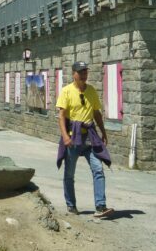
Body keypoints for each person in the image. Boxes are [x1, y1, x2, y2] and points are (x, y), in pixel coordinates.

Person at [56, 61, 113, 218]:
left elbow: (96, 114)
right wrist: (65, 136)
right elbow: (61, 116)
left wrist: (103, 132)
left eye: (85, 72)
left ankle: (100, 206)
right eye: (81, 72)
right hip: (73, 137)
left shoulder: (92, 91)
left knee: (98, 169)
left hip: (90, 137)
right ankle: (71, 205)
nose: (84, 75)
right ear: (74, 74)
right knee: (69, 174)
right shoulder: (66, 91)